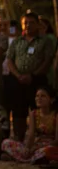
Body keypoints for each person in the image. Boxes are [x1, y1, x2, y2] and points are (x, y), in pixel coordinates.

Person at [7, 12, 52, 140]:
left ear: (38, 25)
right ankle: (18, 138)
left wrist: (32, 76)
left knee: (37, 109)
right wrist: (18, 76)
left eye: (31, 22)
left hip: (37, 81)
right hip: (17, 80)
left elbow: (47, 60)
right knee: (18, 111)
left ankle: (39, 138)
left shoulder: (45, 41)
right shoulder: (16, 41)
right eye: (25, 23)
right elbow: (9, 60)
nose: (28, 25)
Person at [1, 87, 58, 163]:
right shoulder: (33, 114)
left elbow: (57, 140)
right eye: (37, 96)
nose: (39, 98)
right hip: (35, 144)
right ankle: (31, 158)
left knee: (47, 151)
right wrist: (27, 149)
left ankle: (21, 158)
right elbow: (31, 135)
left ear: (52, 100)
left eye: (43, 96)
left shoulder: (56, 115)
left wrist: (38, 147)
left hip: (48, 146)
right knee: (6, 143)